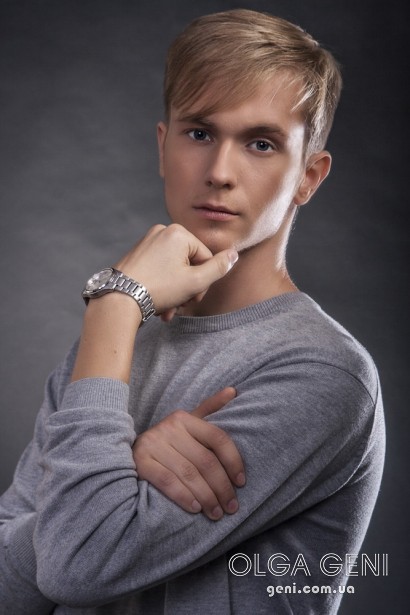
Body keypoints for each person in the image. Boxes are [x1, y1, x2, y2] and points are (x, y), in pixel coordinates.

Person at [0, 9, 385, 615]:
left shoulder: (322, 373)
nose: (219, 173)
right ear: (164, 146)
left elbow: (79, 565)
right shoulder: (107, 350)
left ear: (308, 177)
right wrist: (127, 469)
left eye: (261, 144)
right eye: (200, 133)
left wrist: (114, 303)